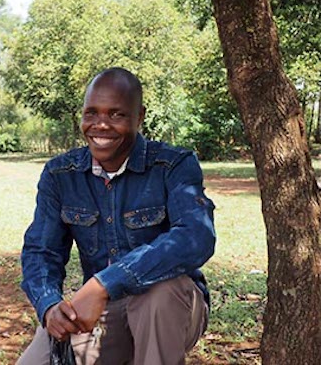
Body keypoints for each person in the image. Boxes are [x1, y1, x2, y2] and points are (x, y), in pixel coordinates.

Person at [18, 67, 216, 365]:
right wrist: (49, 305)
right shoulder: (61, 174)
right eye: (91, 113)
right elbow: (40, 250)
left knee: (158, 294)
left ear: (139, 117)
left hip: (171, 310)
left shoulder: (173, 165)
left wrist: (105, 283)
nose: (100, 125)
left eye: (116, 115)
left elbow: (196, 237)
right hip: (105, 311)